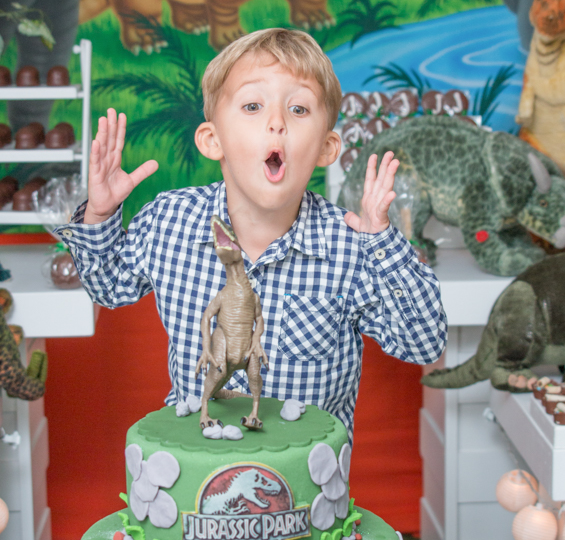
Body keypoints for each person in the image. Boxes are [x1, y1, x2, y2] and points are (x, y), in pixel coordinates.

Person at [55, 28, 446, 438]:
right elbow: (109, 286)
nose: (276, 123)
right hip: (194, 482)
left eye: (298, 110)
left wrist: (382, 243)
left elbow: (423, 343)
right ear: (212, 140)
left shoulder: (351, 246)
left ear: (327, 149)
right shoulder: (169, 220)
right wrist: (99, 213)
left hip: (303, 494)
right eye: (253, 105)